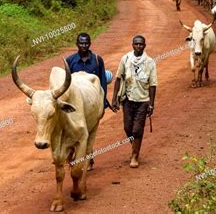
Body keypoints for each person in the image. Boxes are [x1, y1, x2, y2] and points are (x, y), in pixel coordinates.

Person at [111, 35, 157, 168]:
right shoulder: (125, 59)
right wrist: (115, 98)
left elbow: (153, 84)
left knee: (137, 129)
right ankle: (135, 147)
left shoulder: (150, 62)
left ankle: (134, 156)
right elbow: (118, 78)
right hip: (127, 99)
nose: (138, 46)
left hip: (143, 100)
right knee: (127, 128)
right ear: (132, 45)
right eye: (136, 44)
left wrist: (151, 104)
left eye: (141, 44)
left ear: (144, 46)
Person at [66, 32, 110, 170]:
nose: (83, 45)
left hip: (92, 104)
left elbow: (102, 83)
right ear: (77, 44)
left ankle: (88, 158)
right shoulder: (69, 61)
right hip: (76, 105)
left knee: (89, 130)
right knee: (76, 130)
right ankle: (76, 156)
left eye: (86, 43)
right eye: (81, 43)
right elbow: (66, 85)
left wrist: (103, 103)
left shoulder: (97, 60)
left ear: (90, 44)